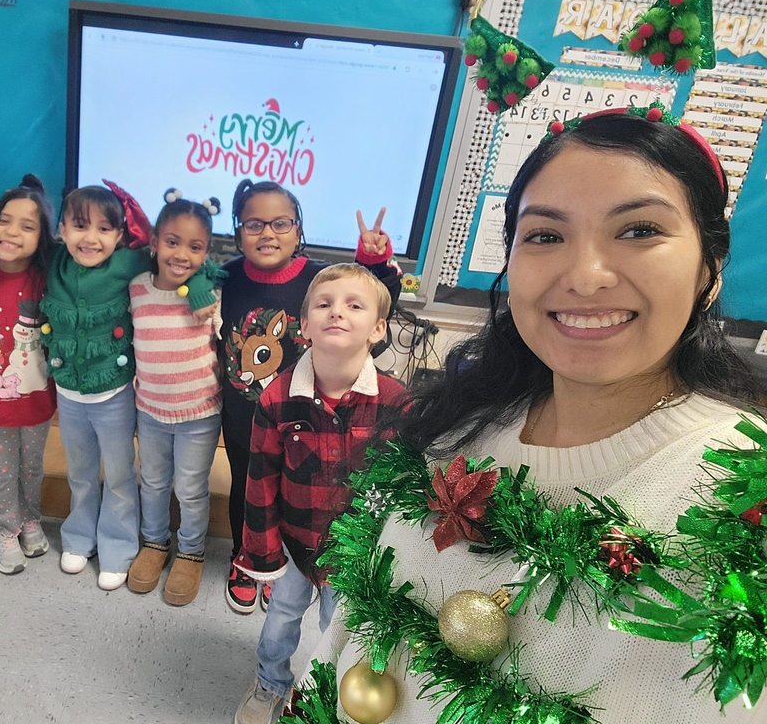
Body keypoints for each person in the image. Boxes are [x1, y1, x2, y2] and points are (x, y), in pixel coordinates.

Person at [304, 108, 764, 724]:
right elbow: (356, 633)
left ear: (709, 267)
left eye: (639, 230)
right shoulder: (460, 425)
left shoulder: (742, 496)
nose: (586, 277)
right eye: (546, 236)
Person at [232, 263, 409, 724]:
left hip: (356, 554)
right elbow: (261, 478)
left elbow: (405, 485)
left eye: (355, 305)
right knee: (281, 621)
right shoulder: (276, 398)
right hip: (294, 543)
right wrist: (264, 553)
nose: (338, 313)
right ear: (304, 325)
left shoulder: (396, 402)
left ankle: (330, 695)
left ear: (378, 328)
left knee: (342, 630)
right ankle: (270, 683)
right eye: (324, 304)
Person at [220, 179, 399, 613]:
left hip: (303, 414)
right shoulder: (225, 278)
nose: (268, 233)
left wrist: (373, 262)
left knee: (299, 490)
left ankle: (294, 563)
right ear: (238, 230)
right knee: (248, 483)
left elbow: (372, 299)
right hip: (244, 412)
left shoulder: (314, 278)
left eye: (281, 223)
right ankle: (248, 560)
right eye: (254, 223)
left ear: (299, 229)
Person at [39, 181, 218, 591]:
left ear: (120, 236)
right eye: (79, 226)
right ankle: (83, 537)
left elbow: (194, 261)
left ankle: (122, 545)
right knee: (82, 472)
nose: (91, 238)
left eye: (104, 229)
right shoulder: (59, 264)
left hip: (122, 395)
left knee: (123, 474)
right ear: (61, 230)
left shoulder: (130, 266)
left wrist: (202, 284)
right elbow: (8, 246)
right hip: (73, 394)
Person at [125, 189, 225, 606]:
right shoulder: (136, 289)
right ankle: (153, 543)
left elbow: (226, 274)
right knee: (151, 481)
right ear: (154, 243)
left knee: (190, 487)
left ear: (207, 253)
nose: (182, 254)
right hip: (149, 411)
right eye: (172, 242)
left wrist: (203, 282)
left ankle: (190, 550)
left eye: (195, 246)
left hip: (199, 413)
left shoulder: (212, 296)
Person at [0, 175, 57, 575]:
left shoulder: (48, 278)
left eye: (28, 226)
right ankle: (3, 528)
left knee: (32, 467)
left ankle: (29, 518)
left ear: (43, 237)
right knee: (2, 469)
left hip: (39, 400)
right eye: (5, 221)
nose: (12, 232)